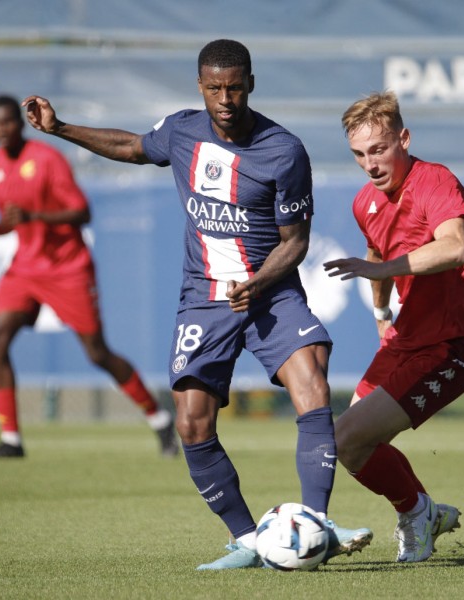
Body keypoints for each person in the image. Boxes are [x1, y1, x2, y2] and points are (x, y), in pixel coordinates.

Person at [23, 39, 373, 570]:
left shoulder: (284, 151)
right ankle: (248, 541)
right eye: (214, 89)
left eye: (234, 87)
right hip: (204, 299)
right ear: (200, 87)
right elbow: (132, 146)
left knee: (314, 383)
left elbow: (295, 242)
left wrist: (256, 283)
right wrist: (60, 127)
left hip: (268, 291)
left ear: (251, 83)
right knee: (190, 423)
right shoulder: (183, 131)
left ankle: (315, 525)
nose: (225, 99)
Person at [323, 91, 464, 563]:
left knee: (347, 438)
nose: (370, 164)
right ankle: (423, 511)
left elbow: (456, 247)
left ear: (404, 139)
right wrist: (381, 314)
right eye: (359, 154)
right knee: (349, 446)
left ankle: (416, 515)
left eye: (379, 149)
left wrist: (384, 271)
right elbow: (377, 254)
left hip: (452, 345)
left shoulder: (435, 181)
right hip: (405, 340)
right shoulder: (364, 202)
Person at [0, 94, 179, 460]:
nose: (2, 129)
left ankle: (160, 418)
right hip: (26, 267)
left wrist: (35, 217)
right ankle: (11, 439)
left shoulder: (47, 159)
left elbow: (81, 212)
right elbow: (15, 217)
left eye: (8, 121)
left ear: (20, 123)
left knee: (97, 353)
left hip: (67, 268)